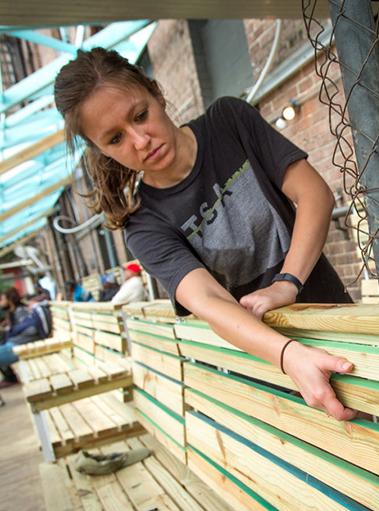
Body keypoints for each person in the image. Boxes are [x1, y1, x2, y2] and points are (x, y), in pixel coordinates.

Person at [54, 48, 356, 420]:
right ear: (101, 150)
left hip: (336, 323)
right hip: (270, 372)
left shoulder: (228, 121)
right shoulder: (144, 223)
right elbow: (210, 300)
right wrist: (288, 355)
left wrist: (286, 283)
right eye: (116, 139)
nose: (140, 140)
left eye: (140, 115)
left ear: (157, 94)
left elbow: (314, 195)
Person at [0, 287, 50, 388]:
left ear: (9, 300)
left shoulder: (20, 311)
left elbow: (32, 330)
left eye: (2, 299)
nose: (1, 302)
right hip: (15, 345)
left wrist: (12, 331)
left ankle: (10, 378)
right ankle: (9, 377)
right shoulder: (13, 312)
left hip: (18, 347)